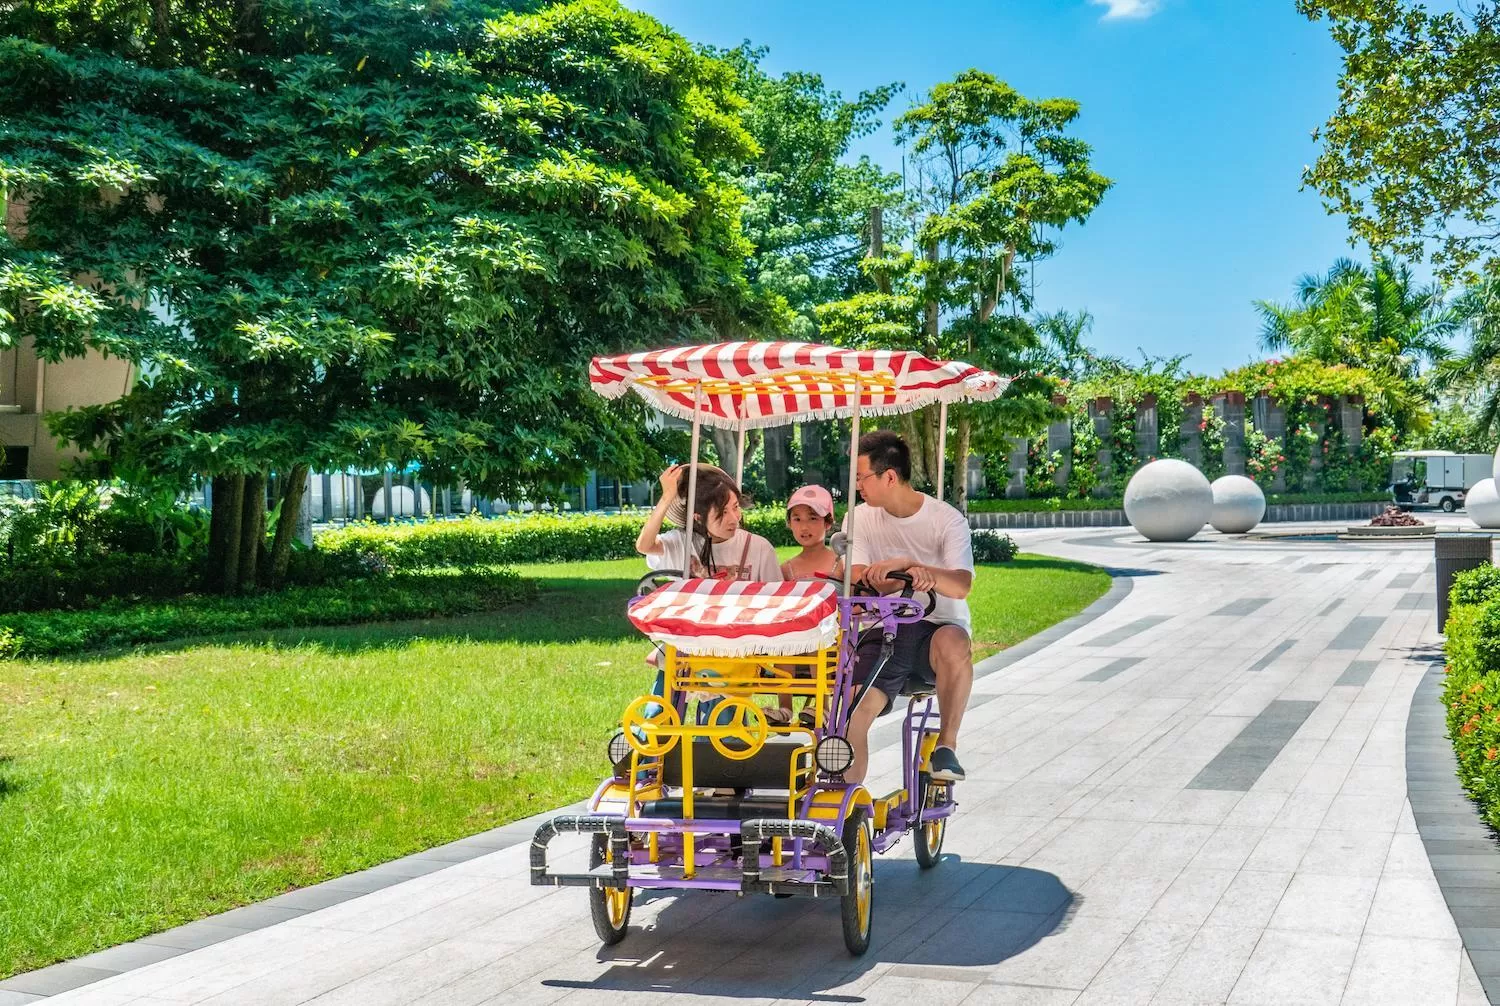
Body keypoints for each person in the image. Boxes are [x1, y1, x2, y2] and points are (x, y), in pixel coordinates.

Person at [842, 430, 974, 785]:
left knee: (954, 642)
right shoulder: (860, 518)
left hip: (935, 634)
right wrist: (903, 577)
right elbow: (858, 580)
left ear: (889, 476)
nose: (857, 486)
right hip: (883, 632)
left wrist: (911, 566)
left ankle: (946, 746)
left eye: (861, 478)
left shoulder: (946, 520)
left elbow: (960, 585)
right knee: (851, 714)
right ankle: (844, 802)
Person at [636, 463, 780, 582]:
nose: (734, 519)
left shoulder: (759, 548)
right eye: (723, 512)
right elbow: (644, 546)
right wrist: (667, 496)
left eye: (735, 507)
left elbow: (776, 598)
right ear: (698, 517)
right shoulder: (681, 542)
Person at [780, 484, 838, 581]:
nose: (804, 527)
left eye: (812, 518)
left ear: (828, 522)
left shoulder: (842, 565)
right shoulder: (785, 570)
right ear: (789, 523)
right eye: (797, 519)